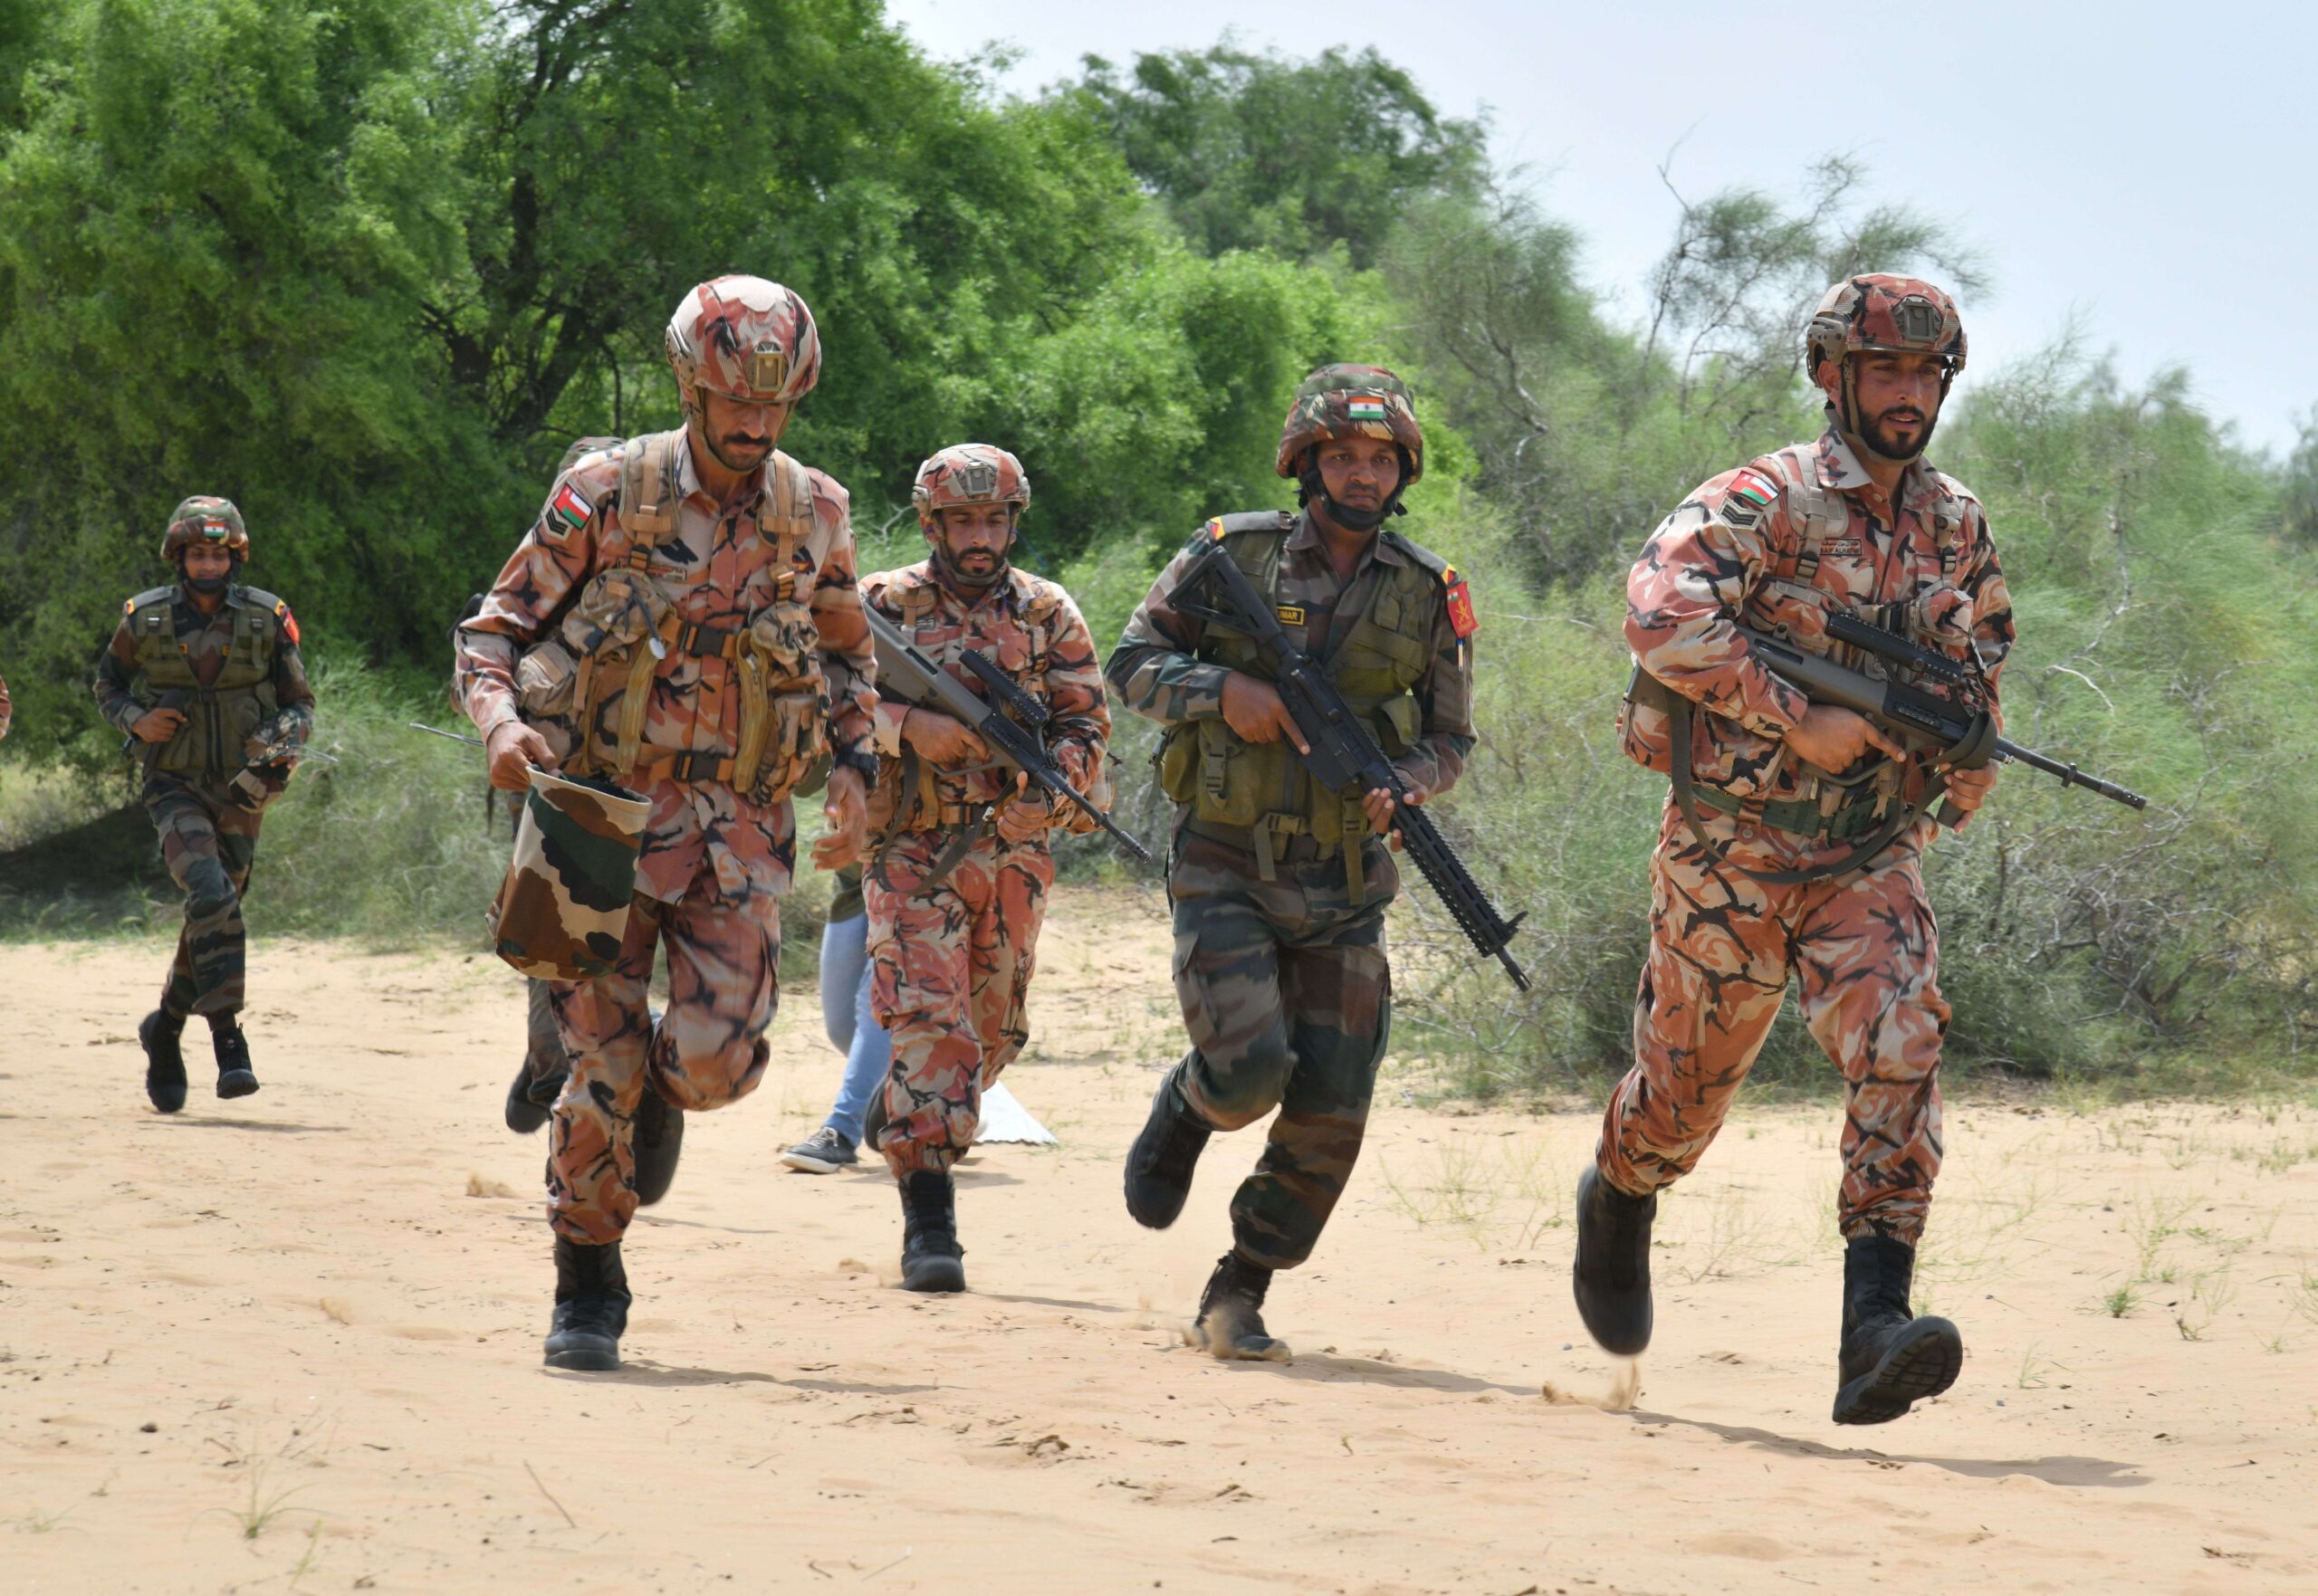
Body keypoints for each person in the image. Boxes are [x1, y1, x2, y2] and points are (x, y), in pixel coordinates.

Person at [1581, 275, 2013, 1425]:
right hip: (1729, 848)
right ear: (1832, 375)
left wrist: (1967, 749)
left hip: (1867, 851)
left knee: (1903, 1038)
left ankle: (1873, 1324)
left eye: (1926, 374)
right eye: (1885, 370)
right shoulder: (1762, 496)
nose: (1907, 394)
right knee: (1681, 1099)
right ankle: (1620, 1192)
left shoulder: (1954, 523)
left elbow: (1982, 657)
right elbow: (1659, 617)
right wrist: (1790, 711)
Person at [454, 275, 876, 1371]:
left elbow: (845, 649)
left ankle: (656, 1089)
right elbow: (493, 631)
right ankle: (587, 1283)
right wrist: (500, 725)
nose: (754, 424)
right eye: (735, 399)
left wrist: (860, 769)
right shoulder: (606, 488)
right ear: (690, 382)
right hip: (593, 814)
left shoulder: (814, 509)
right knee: (602, 1065)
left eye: (777, 408)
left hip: (735, 825)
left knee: (711, 1065)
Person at [1108, 367, 1477, 1359]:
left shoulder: (1428, 588)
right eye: (1343, 456)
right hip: (1226, 858)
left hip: (1345, 881)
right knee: (1247, 1071)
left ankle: (1241, 1283)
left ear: (1402, 470)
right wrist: (1220, 688)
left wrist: (1407, 783)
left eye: (1380, 459)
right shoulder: (1234, 552)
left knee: (1334, 1098)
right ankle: (1189, 1105)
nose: (1362, 474)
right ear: (1306, 462)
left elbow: (1451, 739)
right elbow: (1130, 662)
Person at [857, 444, 1111, 1291]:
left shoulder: (1048, 611)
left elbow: (1085, 723)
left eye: (994, 519)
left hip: (1013, 850)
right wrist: (905, 727)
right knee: (933, 1025)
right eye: (962, 520)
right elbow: (817, 697)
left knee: (992, 1033)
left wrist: (1056, 791)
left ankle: (908, 1104)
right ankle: (930, 1226)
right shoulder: (881, 604)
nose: (980, 536)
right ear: (931, 524)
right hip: (910, 852)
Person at [91, 497, 315, 1112]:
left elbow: (301, 705)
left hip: (245, 790)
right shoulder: (145, 617)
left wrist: (280, 741)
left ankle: (164, 1027)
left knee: (212, 914)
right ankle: (227, 1037)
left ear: (234, 556)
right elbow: (107, 684)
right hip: (175, 786)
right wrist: (137, 719)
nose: (208, 563)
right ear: (179, 557)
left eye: (219, 553)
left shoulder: (268, 617)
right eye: (197, 553)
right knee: (210, 893)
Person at [780, 861, 893, 1172]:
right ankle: (942, 1090)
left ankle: (841, 1132)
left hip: (915, 876)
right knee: (842, 1026)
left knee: (875, 1007)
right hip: (855, 884)